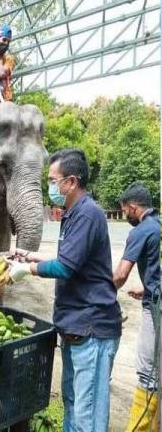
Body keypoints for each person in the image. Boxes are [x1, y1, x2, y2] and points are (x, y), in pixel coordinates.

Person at [7, 149, 122, 431]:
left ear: (70, 182)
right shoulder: (73, 214)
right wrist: (33, 257)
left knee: (87, 415)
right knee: (72, 402)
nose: (50, 186)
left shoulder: (87, 215)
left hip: (92, 328)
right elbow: (70, 262)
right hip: (76, 329)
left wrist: (28, 270)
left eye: (52, 180)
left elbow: (66, 269)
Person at [112, 182, 160, 431]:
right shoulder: (159, 226)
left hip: (157, 310)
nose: (124, 216)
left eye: (123, 212)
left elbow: (120, 275)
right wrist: (148, 286)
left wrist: (100, 292)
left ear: (132, 207)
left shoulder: (141, 231)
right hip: (155, 296)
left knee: (147, 373)